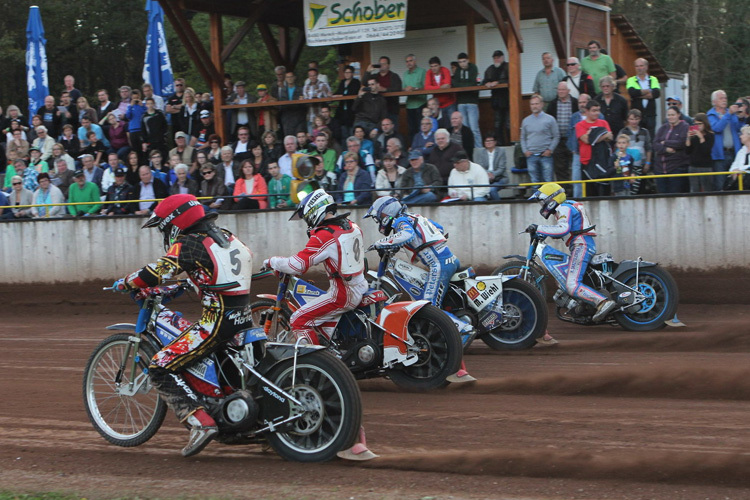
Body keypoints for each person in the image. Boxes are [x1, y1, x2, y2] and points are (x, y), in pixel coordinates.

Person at [113, 193, 254, 457]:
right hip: (244, 319)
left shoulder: (188, 243)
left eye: (163, 226)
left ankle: (199, 422)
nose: (164, 233)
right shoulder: (225, 236)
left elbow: (156, 272)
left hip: (215, 323)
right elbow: (214, 272)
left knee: (158, 366)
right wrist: (187, 284)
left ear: (174, 223)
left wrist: (126, 282)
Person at [364, 197, 474, 381]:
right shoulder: (415, 216)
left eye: (378, 218)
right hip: (449, 259)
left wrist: (382, 243)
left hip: (438, 266)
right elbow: (438, 228)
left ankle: (462, 330)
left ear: (386, 214)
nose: (378, 222)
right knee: (433, 306)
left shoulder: (400, 221)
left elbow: (406, 235)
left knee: (429, 309)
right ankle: (458, 362)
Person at [263, 189, 369, 364]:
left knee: (298, 320)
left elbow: (297, 265)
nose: (306, 222)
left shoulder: (324, 235)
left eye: (306, 217)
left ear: (314, 211)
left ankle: (321, 365)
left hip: (343, 294)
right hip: (360, 284)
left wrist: (272, 261)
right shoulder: (349, 225)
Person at [527, 182, 617, 323]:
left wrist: (539, 228)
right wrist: (545, 233)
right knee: (565, 279)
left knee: (572, 285)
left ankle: (602, 302)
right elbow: (563, 231)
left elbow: (563, 229)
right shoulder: (567, 206)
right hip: (582, 245)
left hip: (581, 245)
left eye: (542, 201)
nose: (541, 205)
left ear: (552, 198)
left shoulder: (564, 208)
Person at [576, 99, 613, 197]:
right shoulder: (580, 125)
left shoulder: (603, 123)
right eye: (594, 110)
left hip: (603, 162)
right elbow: (586, 140)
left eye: (598, 110)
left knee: (604, 192)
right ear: (587, 111)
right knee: (590, 194)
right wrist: (602, 134)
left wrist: (592, 135)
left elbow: (610, 137)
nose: (597, 113)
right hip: (587, 163)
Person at [707, 90, 742, 191]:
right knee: (720, 184)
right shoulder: (710, 115)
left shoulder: (730, 113)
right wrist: (728, 115)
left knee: (734, 182)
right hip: (720, 155)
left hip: (734, 152)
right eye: (721, 98)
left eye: (725, 98)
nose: (724, 100)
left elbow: (737, 128)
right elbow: (717, 128)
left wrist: (738, 115)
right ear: (714, 102)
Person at [546, 82, 578, 193]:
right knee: (560, 168)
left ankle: (575, 190)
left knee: (574, 166)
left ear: (568, 91)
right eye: (559, 90)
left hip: (572, 139)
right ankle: (565, 191)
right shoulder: (552, 104)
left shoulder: (575, 103)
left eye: (563, 90)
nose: (560, 92)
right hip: (558, 140)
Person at [521, 94, 559, 184]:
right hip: (531, 156)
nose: (534, 106)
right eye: (532, 104)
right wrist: (525, 151)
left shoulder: (550, 119)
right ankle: (537, 198)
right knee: (535, 183)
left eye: (537, 103)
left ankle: (549, 198)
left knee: (548, 182)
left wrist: (550, 150)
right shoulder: (525, 121)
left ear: (542, 104)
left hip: (545, 155)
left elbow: (556, 136)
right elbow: (522, 138)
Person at [653, 106, 690, 194]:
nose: (670, 117)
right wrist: (666, 149)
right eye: (668, 115)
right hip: (660, 168)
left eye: (673, 115)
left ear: (678, 115)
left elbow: (681, 143)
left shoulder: (684, 126)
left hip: (676, 167)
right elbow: (655, 144)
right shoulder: (663, 128)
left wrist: (664, 142)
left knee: (675, 194)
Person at [618, 109, 653, 195]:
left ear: (640, 119)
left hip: (641, 164)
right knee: (629, 188)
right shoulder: (623, 131)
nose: (634, 121)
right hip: (627, 164)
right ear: (628, 119)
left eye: (636, 119)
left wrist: (648, 163)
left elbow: (648, 148)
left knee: (640, 188)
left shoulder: (644, 132)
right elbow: (619, 148)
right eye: (632, 119)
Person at [626, 58, 661, 137]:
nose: (639, 68)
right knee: (637, 136)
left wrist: (639, 94)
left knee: (650, 137)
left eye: (641, 66)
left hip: (650, 114)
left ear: (646, 67)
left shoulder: (653, 79)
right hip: (636, 116)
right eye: (637, 66)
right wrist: (648, 91)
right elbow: (632, 93)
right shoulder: (631, 80)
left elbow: (656, 93)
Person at [453, 53, 481, 149]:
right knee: (464, 128)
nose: (462, 64)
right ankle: (466, 149)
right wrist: (465, 86)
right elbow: (455, 83)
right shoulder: (457, 71)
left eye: (464, 61)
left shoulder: (473, 68)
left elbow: (473, 82)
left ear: (468, 60)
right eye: (460, 62)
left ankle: (478, 149)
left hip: (472, 101)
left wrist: (463, 85)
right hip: (461, 102)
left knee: (474, 128)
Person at [482, 50, 510, 145]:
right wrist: (487, 83)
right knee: (497, 125)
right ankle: (500, 145)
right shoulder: (490, 69)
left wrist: (498, 82)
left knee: (508, 124)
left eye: (498, 57)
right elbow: (484, 81)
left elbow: (512, 79)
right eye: (495, 58)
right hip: (496, 101)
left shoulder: (508, 66)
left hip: (508, 101)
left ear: (503, 57)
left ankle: (510, 144)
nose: (496, 59)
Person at [473, 133, 509, 200]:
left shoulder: (501, 151)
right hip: (486, 178)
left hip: (500, 178)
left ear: (495, 142)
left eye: (490, 141)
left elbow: (501, 168)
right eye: (486, 141)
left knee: (492, 190)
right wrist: (487, 175)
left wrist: (493, 175)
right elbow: (480, 167)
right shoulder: (481, 152)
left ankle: (499, 206)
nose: (488, 143)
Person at [685, 113, 715, 193]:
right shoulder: (694, 136)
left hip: (705, 166)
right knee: (694, 190)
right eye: (695, 124)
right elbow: (688, 151)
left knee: (707, 190)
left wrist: (701, 137)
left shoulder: (710, 135)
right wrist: (688, 138)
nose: (698, 126)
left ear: (705, 123)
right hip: (693, 165)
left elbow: (706, 150)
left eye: (700, 124)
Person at [332, 65, 361, 139]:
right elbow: (338, 92)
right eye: (345, 72)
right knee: (344, 133)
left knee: (351, 131)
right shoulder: (342, 82)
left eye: (349, 72)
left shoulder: (356, 82)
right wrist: (333, 95)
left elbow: (353, 93)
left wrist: (341, 95)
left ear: (352, 73)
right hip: (342, 111)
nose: (347, 74)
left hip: (351, 109)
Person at [425, 56, 456, 121]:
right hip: (437, 105)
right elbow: (427, 87)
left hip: (449, 103)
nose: (433, 68)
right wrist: (440, 87)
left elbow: (447, 85)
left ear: (440, 65)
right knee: (438, 125)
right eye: (431, 66)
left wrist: (434, 88)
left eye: (435, 66)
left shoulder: (445, 70)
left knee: (453, 123)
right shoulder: (429, 72)